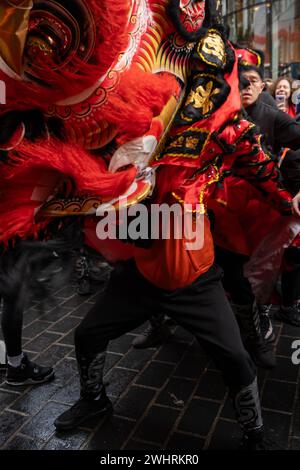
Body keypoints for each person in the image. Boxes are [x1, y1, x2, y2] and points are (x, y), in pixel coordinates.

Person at [53, 9, 300, 449]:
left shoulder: (231, 132)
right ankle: (95, 399)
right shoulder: (137, 126)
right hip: (143, 271)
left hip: (195, 279)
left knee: (236, 361)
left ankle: (255, 433)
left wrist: (291, 205)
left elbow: (267, 179)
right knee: (87, 333)